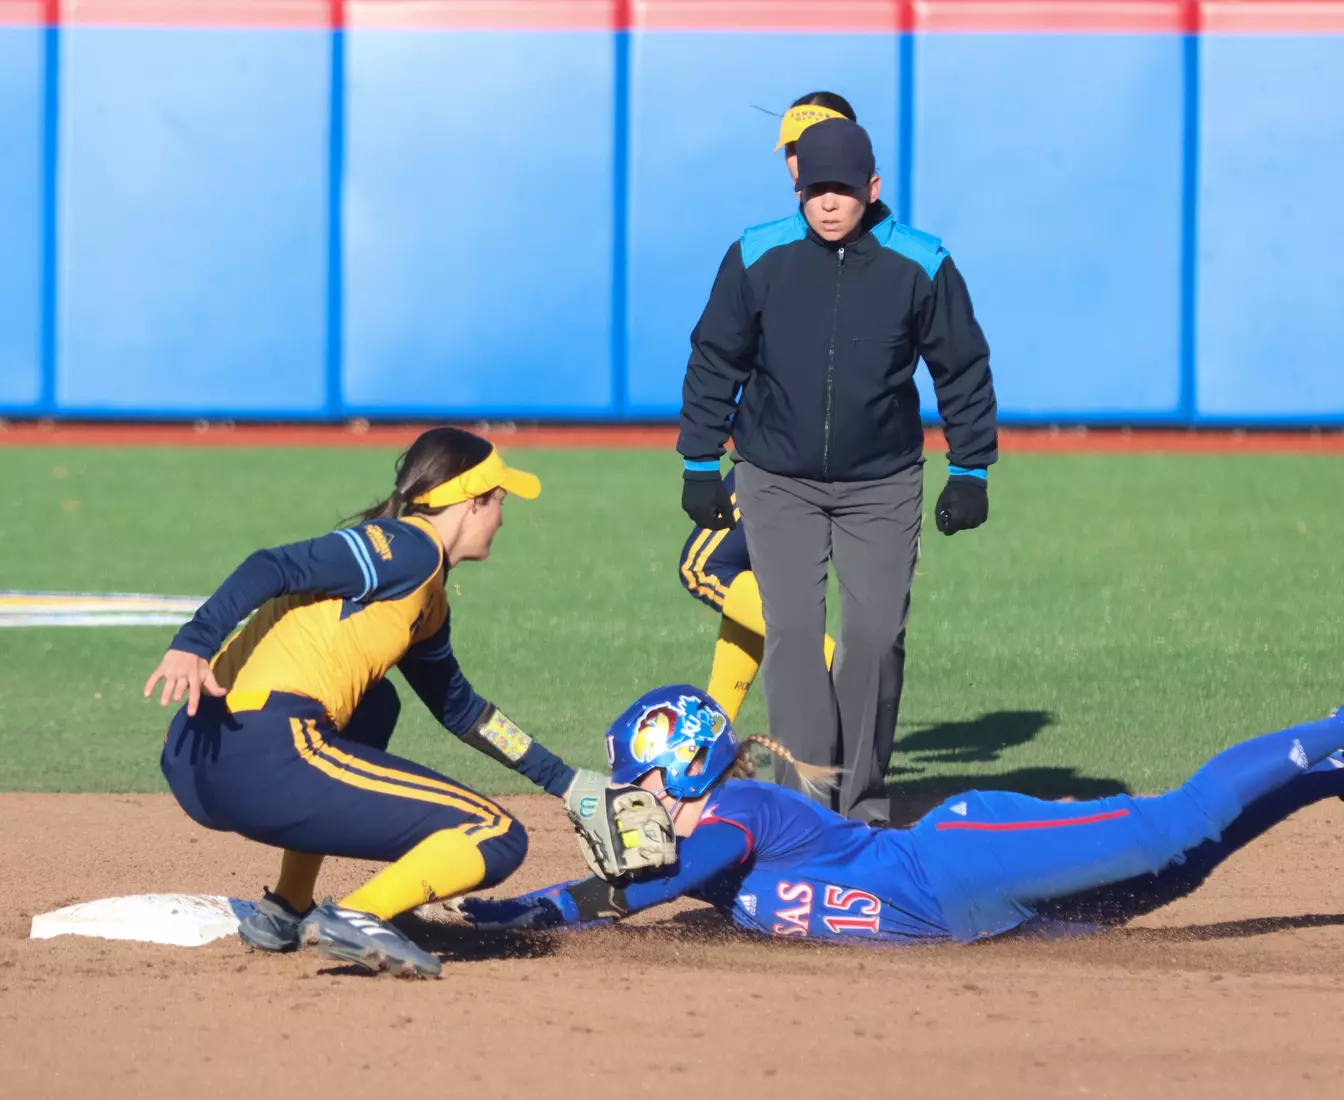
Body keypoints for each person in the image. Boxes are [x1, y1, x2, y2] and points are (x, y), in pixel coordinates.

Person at [147, 427, 675, 978]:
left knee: (378, 704)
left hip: (201, 758)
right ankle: (359, 914)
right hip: (263, 751)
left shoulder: (427, 598)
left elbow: (463, 710)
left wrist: (567, 782)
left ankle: (287, 906)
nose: (502, 516)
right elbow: (270, 565)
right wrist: (193, 642)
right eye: (498, 502)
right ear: (472, 502)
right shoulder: (405, 547)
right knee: (495, 834)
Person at [458, 685, 1344, 946]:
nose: (632, 800)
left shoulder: (738, 813)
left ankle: (1333, 732)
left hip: (961, 859)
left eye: (641, 781)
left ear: (686, 767)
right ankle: (1329, 776)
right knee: (1174, 880)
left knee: (1170, 829)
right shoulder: (703, 843)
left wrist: (534, 908)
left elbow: (665, 883)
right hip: (980, 926)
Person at [676, 116, 998, 825]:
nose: (828, 203)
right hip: (775, 477)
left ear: (872, 188)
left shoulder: (922, 262)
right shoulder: (757, 255)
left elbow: (961, 367)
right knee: (790, 632)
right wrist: (701, 461)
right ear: (798, 185)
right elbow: (714, 358)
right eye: (816, 188)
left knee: (875, 639)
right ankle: (807, 809)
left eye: (843, 190)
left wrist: (970, 470)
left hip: (882, 481)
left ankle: (861, 808)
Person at [679, 92, 857, 722]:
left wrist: (701, 459)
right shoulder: (884, 244)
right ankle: (714, 728)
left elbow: (715, 355)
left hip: (782, 462)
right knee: (747, 574)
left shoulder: (771, 248)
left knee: (704, 567)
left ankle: (834, 663)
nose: (794, 158)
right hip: (853, 467)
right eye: (789, 145)